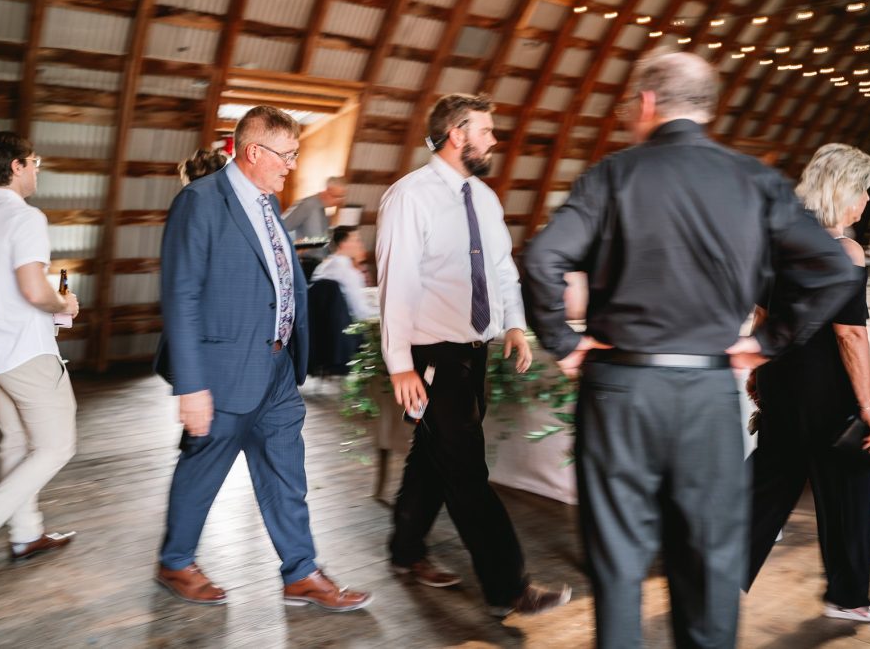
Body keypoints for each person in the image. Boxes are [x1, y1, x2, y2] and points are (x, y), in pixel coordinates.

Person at [522, 51, 858, 648]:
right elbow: (832, 271)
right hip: (706, 392)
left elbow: (544, 260)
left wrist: (565, 344)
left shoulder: (612, 175)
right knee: (707, 564)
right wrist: (768, 341)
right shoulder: (753, 180)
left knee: (619, 565)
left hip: (618, 390)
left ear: (647, 103)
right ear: (707, 110)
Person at [154, 105, 370, 611]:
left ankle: (301, 572)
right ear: (253, 151)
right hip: (222, 372)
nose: (291, 164)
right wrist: (190, 385)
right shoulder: (200, 202)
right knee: (201, 472)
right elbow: (181, 296)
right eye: (287, 154)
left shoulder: (269, 204)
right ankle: (176, 561)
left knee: (286, 476)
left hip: (276, 370)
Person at [376, 93, 571, 617]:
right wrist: (399, 364)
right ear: (457, 133)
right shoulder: (408, 197)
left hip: (473, 349)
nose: (494, 140)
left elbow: (502, 268)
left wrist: (513, 323)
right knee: (464, 467)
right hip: (429, 350)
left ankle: (404, 550)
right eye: (486, 130)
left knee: (433, 454)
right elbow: (396, 284)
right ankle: (508, 587)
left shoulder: (484, 198)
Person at [746, 144, 870, 621]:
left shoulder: (779, 239)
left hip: (783, 382)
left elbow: (762, 314)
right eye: (862, 189)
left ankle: (713, 577)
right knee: (849, 486)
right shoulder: (843, 250)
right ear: (843, 190)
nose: (866, 200)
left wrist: (757, 373)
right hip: (827, 392)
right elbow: (850, 334)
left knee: (770, 485)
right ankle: (848, 597)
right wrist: (868, 406)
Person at [0, 131, 80, 562]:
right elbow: (33, 289)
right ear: (17, 166)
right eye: (34, 160)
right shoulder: (26, 218)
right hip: (27, 353)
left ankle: (26, 534)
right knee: (58, 446)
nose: (37, 168)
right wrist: (63, 302)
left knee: (17, 444)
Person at [311, 226, 375, 321]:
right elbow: (362, 313)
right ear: (343, 244)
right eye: (357, 240)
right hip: (348, 328)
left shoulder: (320, 268)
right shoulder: (349, 273)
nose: (360, 244)